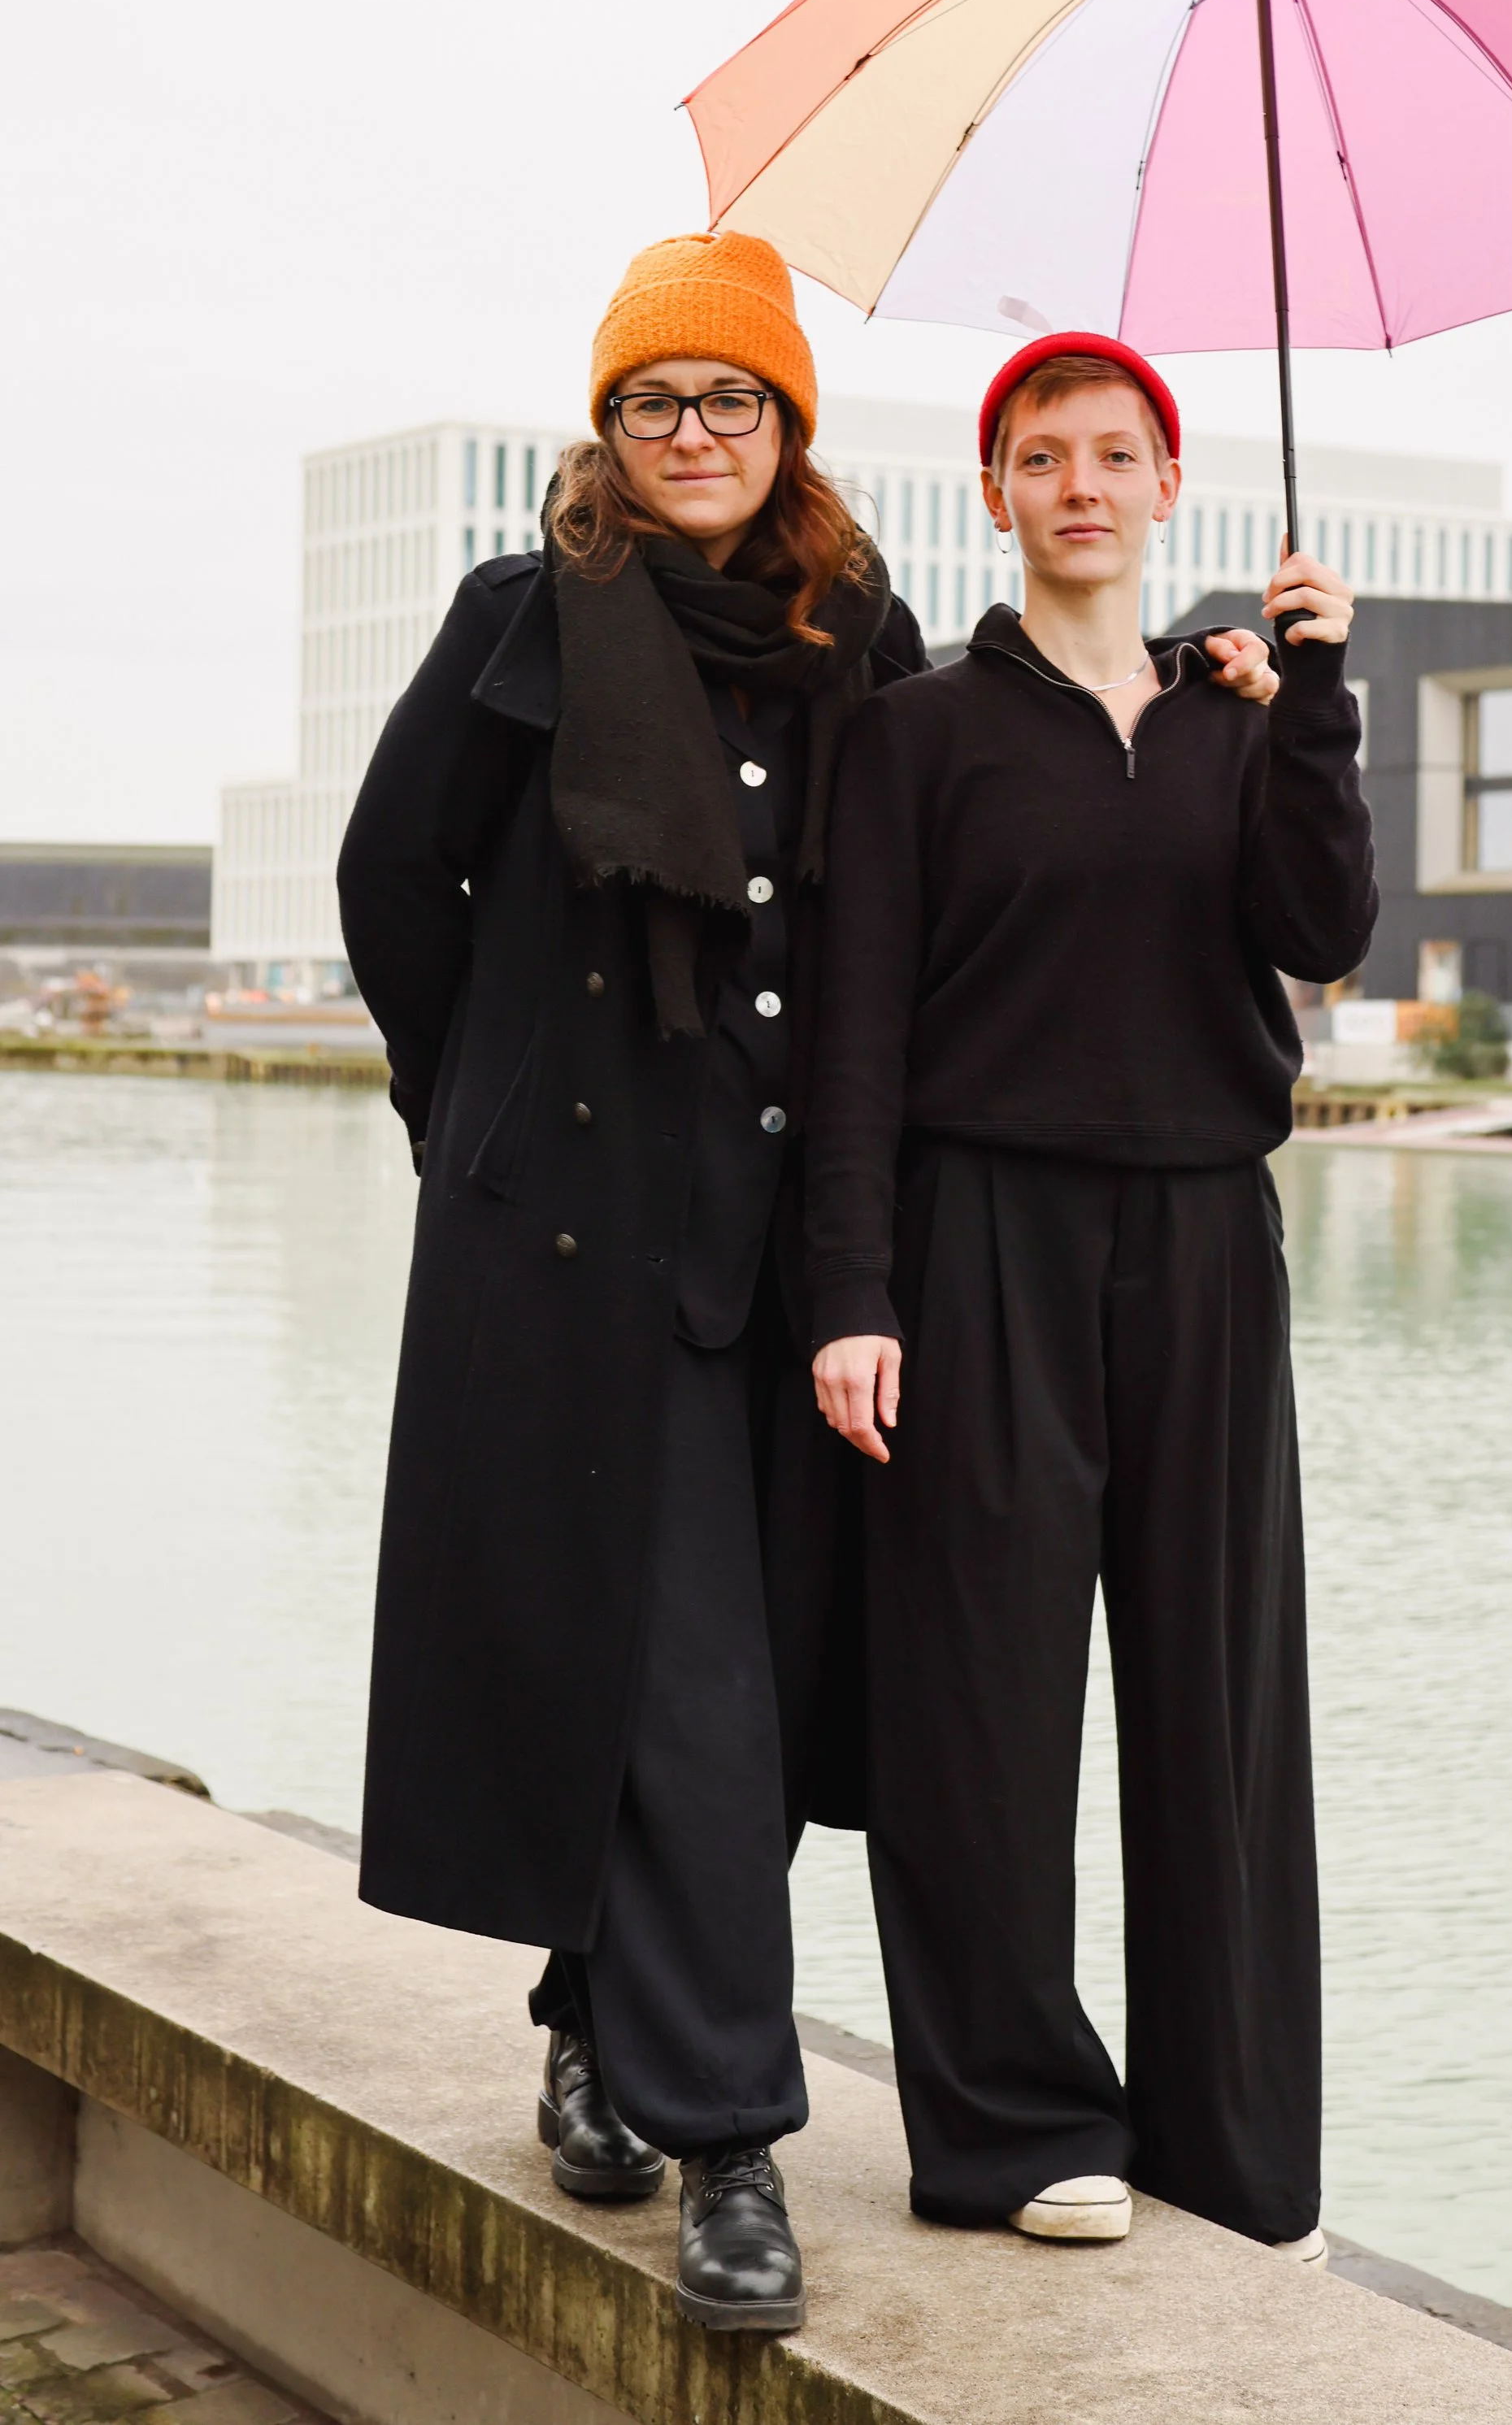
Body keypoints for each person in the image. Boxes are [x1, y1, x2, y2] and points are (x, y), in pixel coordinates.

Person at [337, 231, 923, 2334]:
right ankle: (730, 2140)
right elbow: (391, 876)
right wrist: (466, 1110)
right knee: (680, 1676)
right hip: (565, 1251)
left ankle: (593, 2016)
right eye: (657, 400)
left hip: (788, 1252)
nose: (693, 433)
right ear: (611, 428)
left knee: (725, 1693)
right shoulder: (526, 616)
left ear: (784, 430)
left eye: (731, 400)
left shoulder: (858, 632)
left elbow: (919, 908)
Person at [806, 333, 1377, 2258]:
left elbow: (1318, 930)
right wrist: (852, 1291)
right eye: (1039, 455)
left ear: (1164, 483)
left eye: (1113, 454)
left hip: (1208, 1233)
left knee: (1219, 1692)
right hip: (981, 1237)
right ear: (993, 494)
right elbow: (861, 1033)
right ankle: (1013, 2124)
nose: (1078, 483)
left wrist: (1311, 692)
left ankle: (1223, 2137)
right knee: (979, 1693)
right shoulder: (920, 733)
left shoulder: (1238, 712)